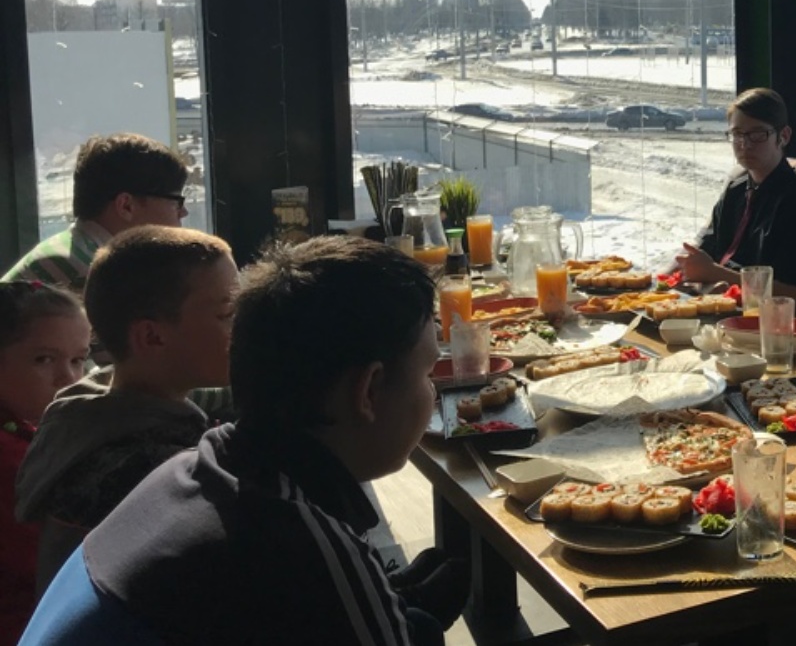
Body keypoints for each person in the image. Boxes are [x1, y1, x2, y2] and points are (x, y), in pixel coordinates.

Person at [19, 236, 466, 646]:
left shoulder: (188, 470)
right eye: (428, 373)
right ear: (369, 390)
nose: (431, 393)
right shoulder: (295, 544)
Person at [13, 226, 236, 590]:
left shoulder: (78, 429)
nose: (241, 327)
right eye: (227, 313)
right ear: (152, 336)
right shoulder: (154, 469)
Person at [676, 88, 796, 309]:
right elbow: (704, 253)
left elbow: (793, 295)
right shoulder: (736, 189)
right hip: (717, 304)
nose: (745, 144)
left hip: (766, 318)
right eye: (737, 134)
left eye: (758, 134)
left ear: (783, 136)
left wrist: (714, 273)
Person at [0, 283, 90, 646]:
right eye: (44, 360)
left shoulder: (31, 432)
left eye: (78, 360)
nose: (68, 378)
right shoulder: (9, 458)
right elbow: (55, 562)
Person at [2, 134, 190, 293]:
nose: (184, 212)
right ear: (126, 206)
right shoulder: (90, 275)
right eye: (176, 202)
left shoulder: (75, 252)